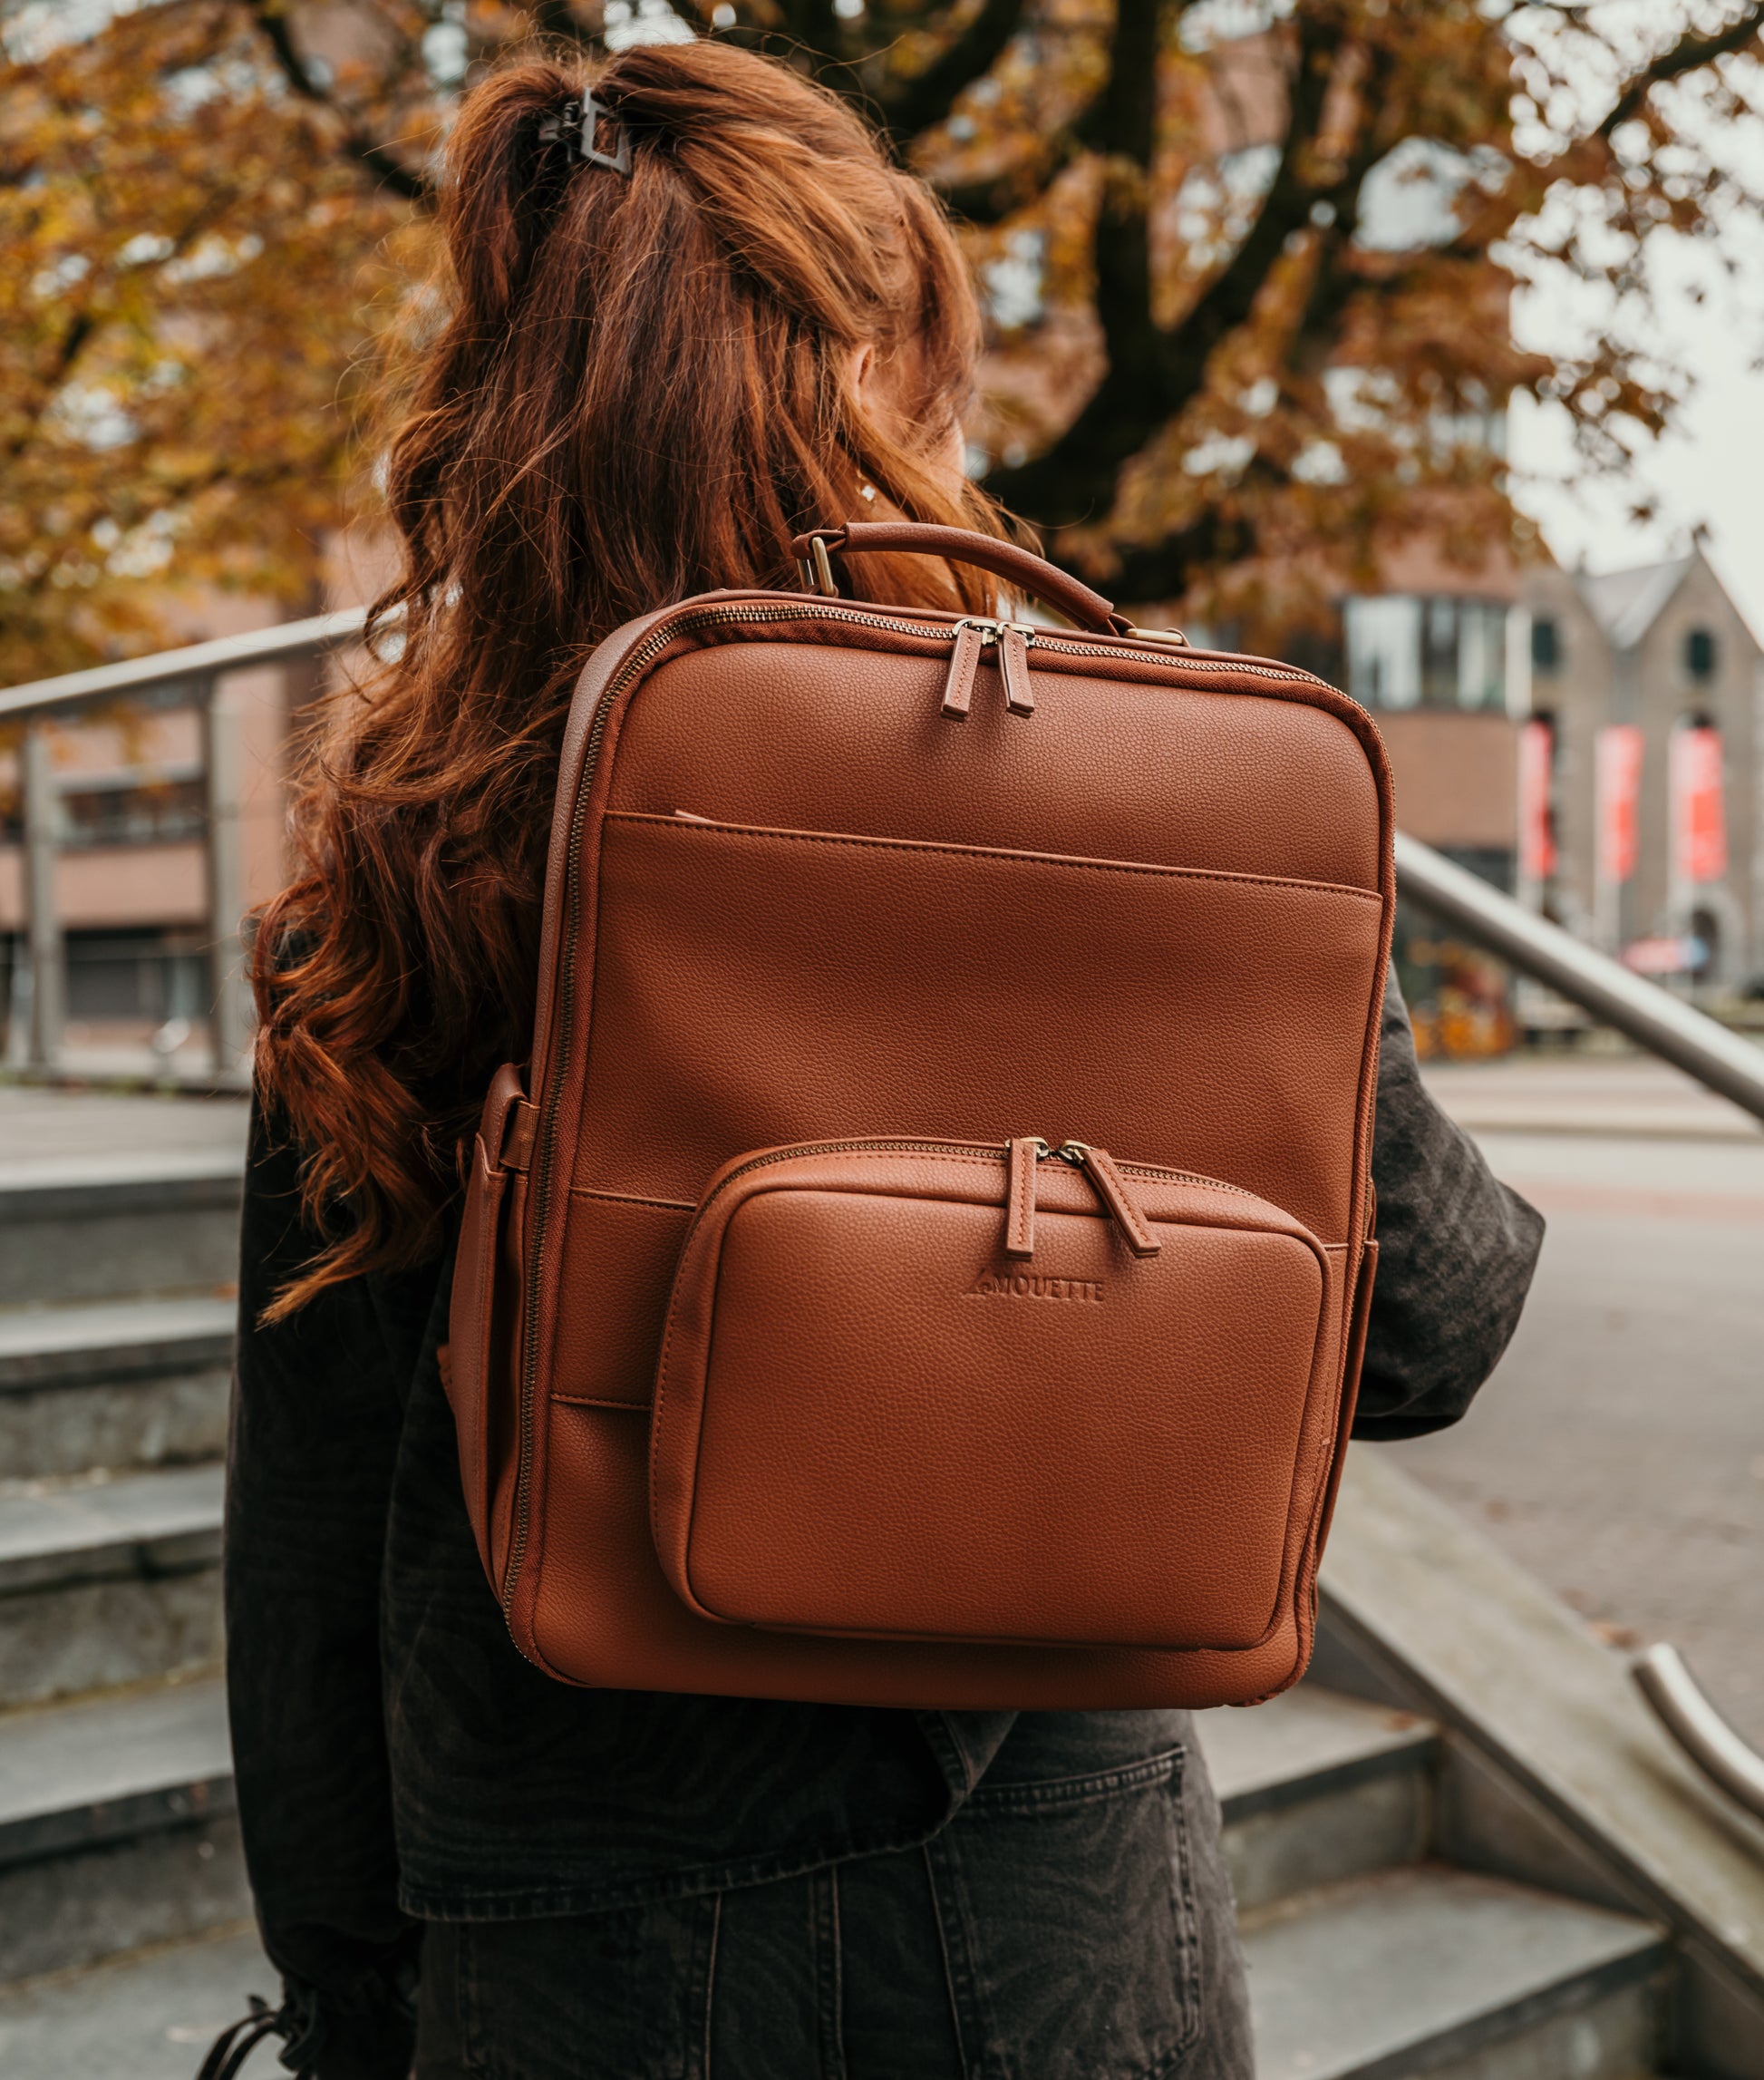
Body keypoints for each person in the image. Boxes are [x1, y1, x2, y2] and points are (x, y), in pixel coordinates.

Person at [220, 37, 1545, 2080]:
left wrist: (339, 1991)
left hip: (568, 1910)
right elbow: (1428, 1327)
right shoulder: (1137, 804)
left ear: (509, 400)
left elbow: (310, 1547)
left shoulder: (405, 863)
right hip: (1055, 1893)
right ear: (873, 374)